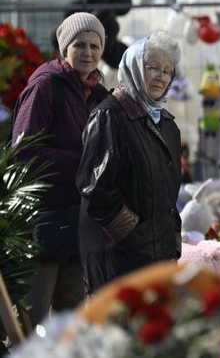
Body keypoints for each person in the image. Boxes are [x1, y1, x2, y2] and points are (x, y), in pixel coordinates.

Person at [12, 12, 110, 326]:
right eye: (79, 45)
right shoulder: (45, 87)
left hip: (80, 224)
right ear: (63, 48)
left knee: (71, 325)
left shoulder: (98, 95)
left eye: (95, 46)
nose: (88, 52)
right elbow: (23, 152)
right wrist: (83, 162)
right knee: (31, 322)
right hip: (43, 222)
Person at [76, 30, 183, 295]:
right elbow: (96, 190)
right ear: (134, 66)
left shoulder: (167, 124)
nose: (161, 76)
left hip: (155, 257)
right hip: (118, 258)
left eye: (167, 71)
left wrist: (170, 240)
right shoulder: (110, 116)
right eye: (153, 67)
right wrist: (132, 234)